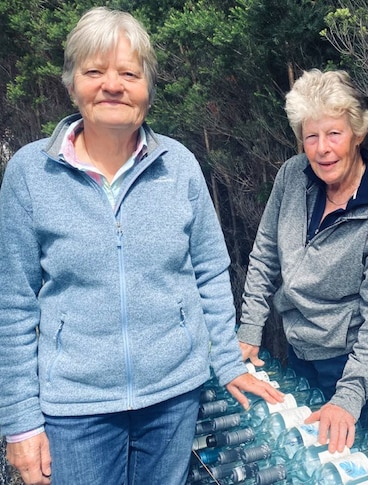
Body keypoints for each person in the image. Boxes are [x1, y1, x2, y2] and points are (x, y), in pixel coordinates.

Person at [0, 7, 283, 485]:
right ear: (72, 84)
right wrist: (20, 419)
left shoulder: (181, 165)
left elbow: (211, 273)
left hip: (174, 399)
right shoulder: (31, 174)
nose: (113, 85)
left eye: (129, 73)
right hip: (76, 411)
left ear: (148, 88)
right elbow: (13, 303)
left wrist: (228, 364)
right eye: (95, 72)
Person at [236, 69, 368, 454]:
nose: (322, 148)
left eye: (334, 133)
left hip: (351, 365)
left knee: (345, 465)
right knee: (296, 457)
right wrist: (250, 329)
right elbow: (265, 253)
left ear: (357, 132)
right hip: (298, 349)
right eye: (311, 136)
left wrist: (348, 399)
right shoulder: (292, 176)